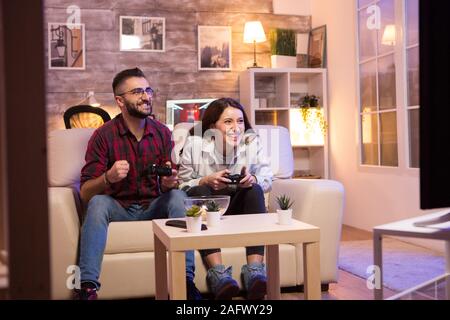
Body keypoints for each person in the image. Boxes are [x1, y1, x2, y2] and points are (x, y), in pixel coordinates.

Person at [75, 67, 201, 300]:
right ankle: (88, 288)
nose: (146, 96)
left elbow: (169, 184)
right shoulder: (103, 136)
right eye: (137, 92)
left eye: (148, 90)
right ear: (120, 101)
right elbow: (84, 193)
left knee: (179, 197)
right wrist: (107, 178)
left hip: (154, 206)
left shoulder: (162, 133)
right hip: (118, 208)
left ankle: (186, 282)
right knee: (98, 203)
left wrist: (169, 183)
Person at [178, 98, 273, 300]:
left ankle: (255, 272)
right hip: (209, 209)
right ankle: (219, 275)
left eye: (240, 121)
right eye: (228, 122)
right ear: (213, 126)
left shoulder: (252, 142)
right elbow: (181, 185)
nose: (236, 128)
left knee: (255, 190)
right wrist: (205, 180)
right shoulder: (194, 145)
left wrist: (252, 178)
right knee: (198, 191)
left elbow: (267, 178)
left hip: (240, 206)